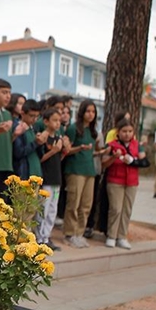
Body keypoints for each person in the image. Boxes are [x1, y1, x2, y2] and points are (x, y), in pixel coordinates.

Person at [103, 119, 146, 250]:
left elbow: (144, 161)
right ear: (118, 132)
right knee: (116, 208)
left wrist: (133, 160)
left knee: (127, 209)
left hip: (132, 181)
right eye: (124, 131)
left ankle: (122, 236)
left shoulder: (137, 145)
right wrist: (114, 157)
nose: (127, 134)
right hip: (115, 180)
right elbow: (104, 163)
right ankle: (111, 235)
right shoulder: (111, 145)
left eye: (130, 131)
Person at [62, 100, 98, 248]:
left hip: (90, 170)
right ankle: (69, 233)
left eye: (93, 112)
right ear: (82, 112)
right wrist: (79, 148)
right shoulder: (72, 129)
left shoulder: (93, 131)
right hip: (75, 169)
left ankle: (80, 233)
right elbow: (66, 150)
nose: (91, 114)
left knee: (86, 204)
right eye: (88, 111)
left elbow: (92, 152)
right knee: (74, 203)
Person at [37, 108, 64, 251]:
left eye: (59, 120)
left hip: (56, 178)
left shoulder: (59, 138)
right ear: (46, 121)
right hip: (46, 179)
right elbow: (40, 158)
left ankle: (47, 237)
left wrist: (61, 150)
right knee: (43, 209)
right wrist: (53, 151)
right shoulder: (43, 138)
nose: (57, 123)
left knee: (53, 209)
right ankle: (39, 238)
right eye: (54, 120)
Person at [12, 99, 44, 180]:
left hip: (36, 173)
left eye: (37, 116)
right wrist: (35, 143)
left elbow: (40, 155)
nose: (35, 119)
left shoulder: (34, 128)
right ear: (22, 113)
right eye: (32, 116)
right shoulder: (17, 127)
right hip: (23, 174)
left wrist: (40, 143)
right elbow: (18, 152)